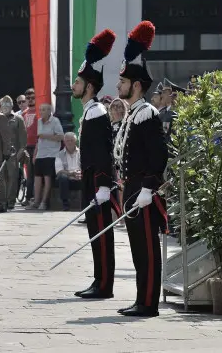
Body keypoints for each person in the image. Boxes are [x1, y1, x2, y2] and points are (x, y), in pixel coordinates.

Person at [113, 20, 168, 317]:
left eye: (122, 83)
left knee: (147, 249)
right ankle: (141, 299)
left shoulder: (146, 113)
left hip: (143, 189)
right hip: (132, 187)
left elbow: (159, 154)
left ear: (136, 85)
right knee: (137, 250)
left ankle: (148, 303)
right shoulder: (132, 114)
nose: (118, 86)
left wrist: (149, 187)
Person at [70, 28, 118, 299]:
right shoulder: (89, 111)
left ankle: (105, 285)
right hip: (90, 178)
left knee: (102, 234)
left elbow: (103, 152)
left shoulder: (98, 112)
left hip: (98, 181)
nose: (74, 86)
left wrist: (102, 184)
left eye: (77, 82)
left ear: (88, 86)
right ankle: (99, 279)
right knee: (94, 232)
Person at [0, 95, 26, 210]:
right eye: (3, 104)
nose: (6, 106)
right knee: (1, 178)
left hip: (13, 154)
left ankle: (10, 201)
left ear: (12, 105)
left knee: (12, 177)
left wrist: (19, 154)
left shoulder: (18, 119)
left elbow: (23, 138)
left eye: (8, 103)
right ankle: (2, 201)